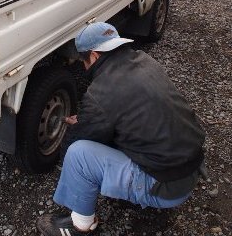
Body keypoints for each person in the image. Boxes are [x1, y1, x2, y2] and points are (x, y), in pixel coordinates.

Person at [37, 22, 206, 236]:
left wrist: (80, 127)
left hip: (166, 188)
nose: (85, 67)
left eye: (84, 61)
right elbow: (128, 111)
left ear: (95, 56)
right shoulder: (145, 61)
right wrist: (93, 118)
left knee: (78, 154)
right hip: (190, 170)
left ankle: (81, 226)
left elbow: (78, 141)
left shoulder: (101, 92)